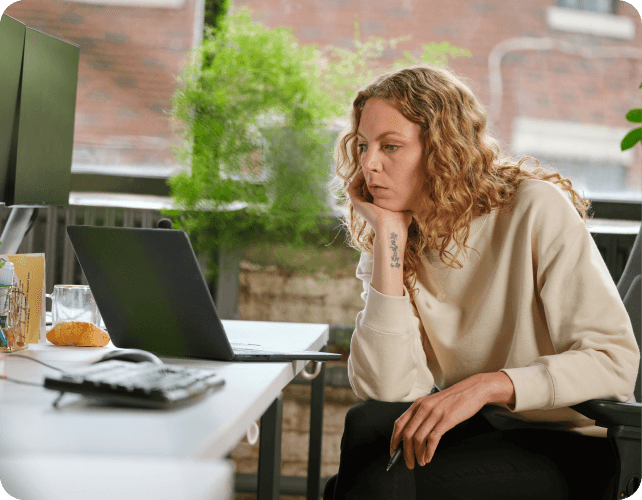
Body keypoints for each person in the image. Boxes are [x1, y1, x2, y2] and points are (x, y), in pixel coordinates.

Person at [323, 65, 640, 500]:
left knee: (370, 483)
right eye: (362, 145)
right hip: (489, 427)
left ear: (440, 150)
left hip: (574, 441)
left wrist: (487, 385)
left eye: (390, 146)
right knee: (367, 425)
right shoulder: (394, 233)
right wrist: (390, 241)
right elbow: (388, 387)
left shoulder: (533, 210)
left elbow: (615, 363)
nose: (369, 163)